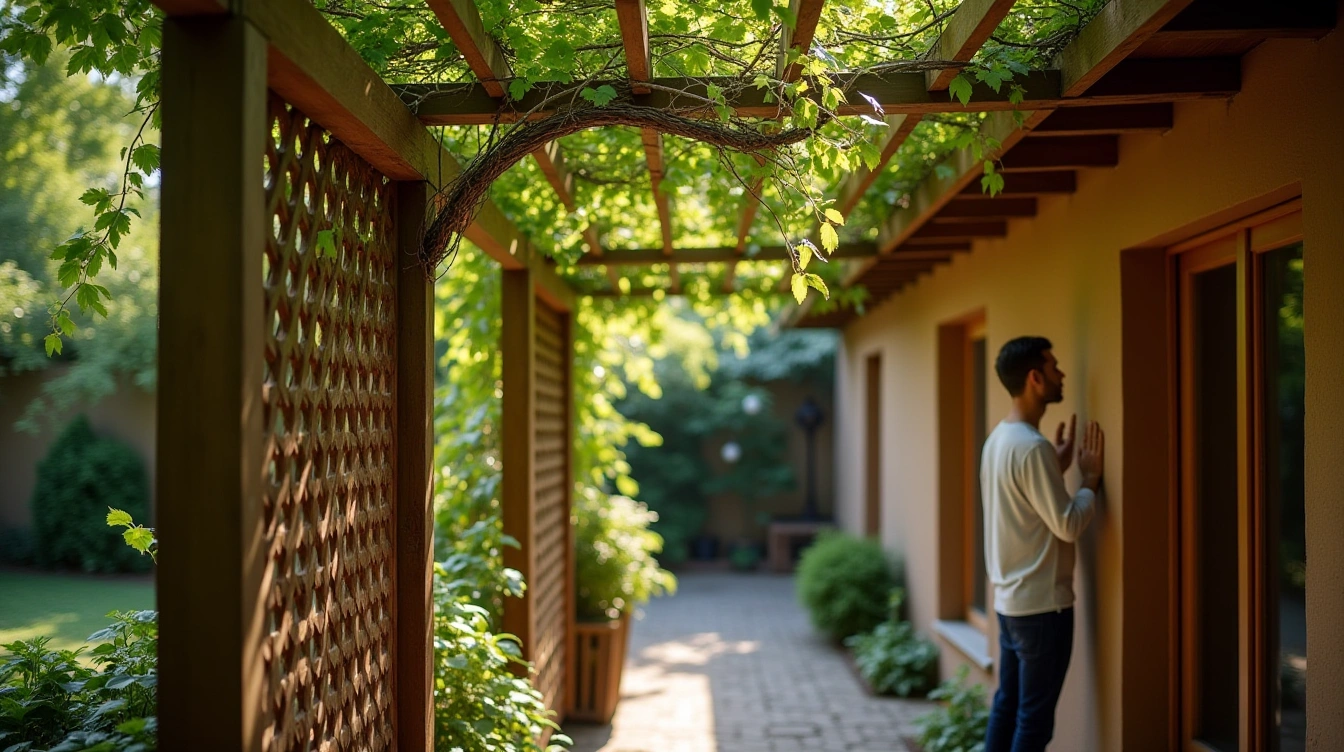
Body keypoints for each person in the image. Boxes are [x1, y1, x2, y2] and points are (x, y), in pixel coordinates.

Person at [981, 336, 1104, 752]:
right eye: (1054, 366)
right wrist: (1088, 481)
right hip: (1042, 610)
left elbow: (1024, 505)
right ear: (1035, 378)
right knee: (1033, 723)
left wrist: (1056, 465)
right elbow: (1067, 525)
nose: (1061, 373)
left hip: (1010, 604)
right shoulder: (1032, 448)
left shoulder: (1000, 439)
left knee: (1007, 706)